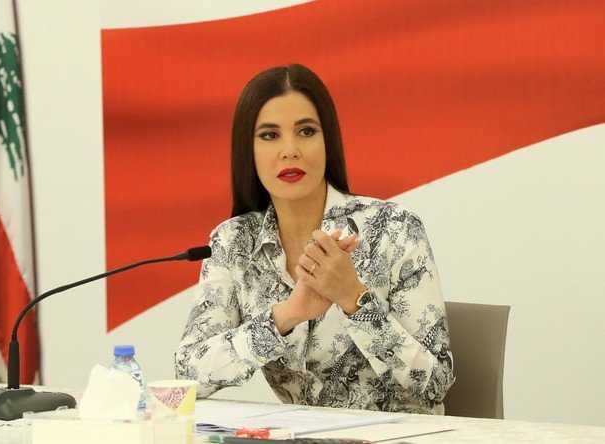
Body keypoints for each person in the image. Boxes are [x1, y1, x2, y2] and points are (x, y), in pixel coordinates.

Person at [175, 64, 455, 414]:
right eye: (269, 135)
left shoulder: (394, 229)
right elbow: (188, 373)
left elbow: (436, 384)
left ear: (327, 142)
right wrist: (285, 315)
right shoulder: (234, 243)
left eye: (306, 131)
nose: (290, 150)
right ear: (248, 150)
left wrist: (354, 299)